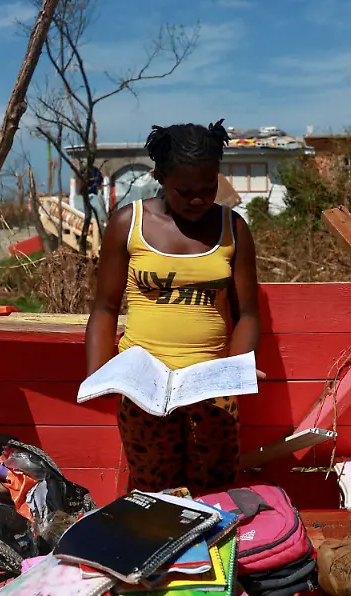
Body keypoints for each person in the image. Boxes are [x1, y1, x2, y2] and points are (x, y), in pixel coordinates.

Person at [85, 119, 261, 493]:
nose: (198, 200)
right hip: (144, 391)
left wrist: (234, 371)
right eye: (185, 191)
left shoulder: (234, 229)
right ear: (161, 176)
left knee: (215, 496)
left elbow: (246, 314)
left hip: (210, 393)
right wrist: (100, 377)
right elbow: (104, 309)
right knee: (157, 496)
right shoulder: (127, 224)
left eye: (208, 188)